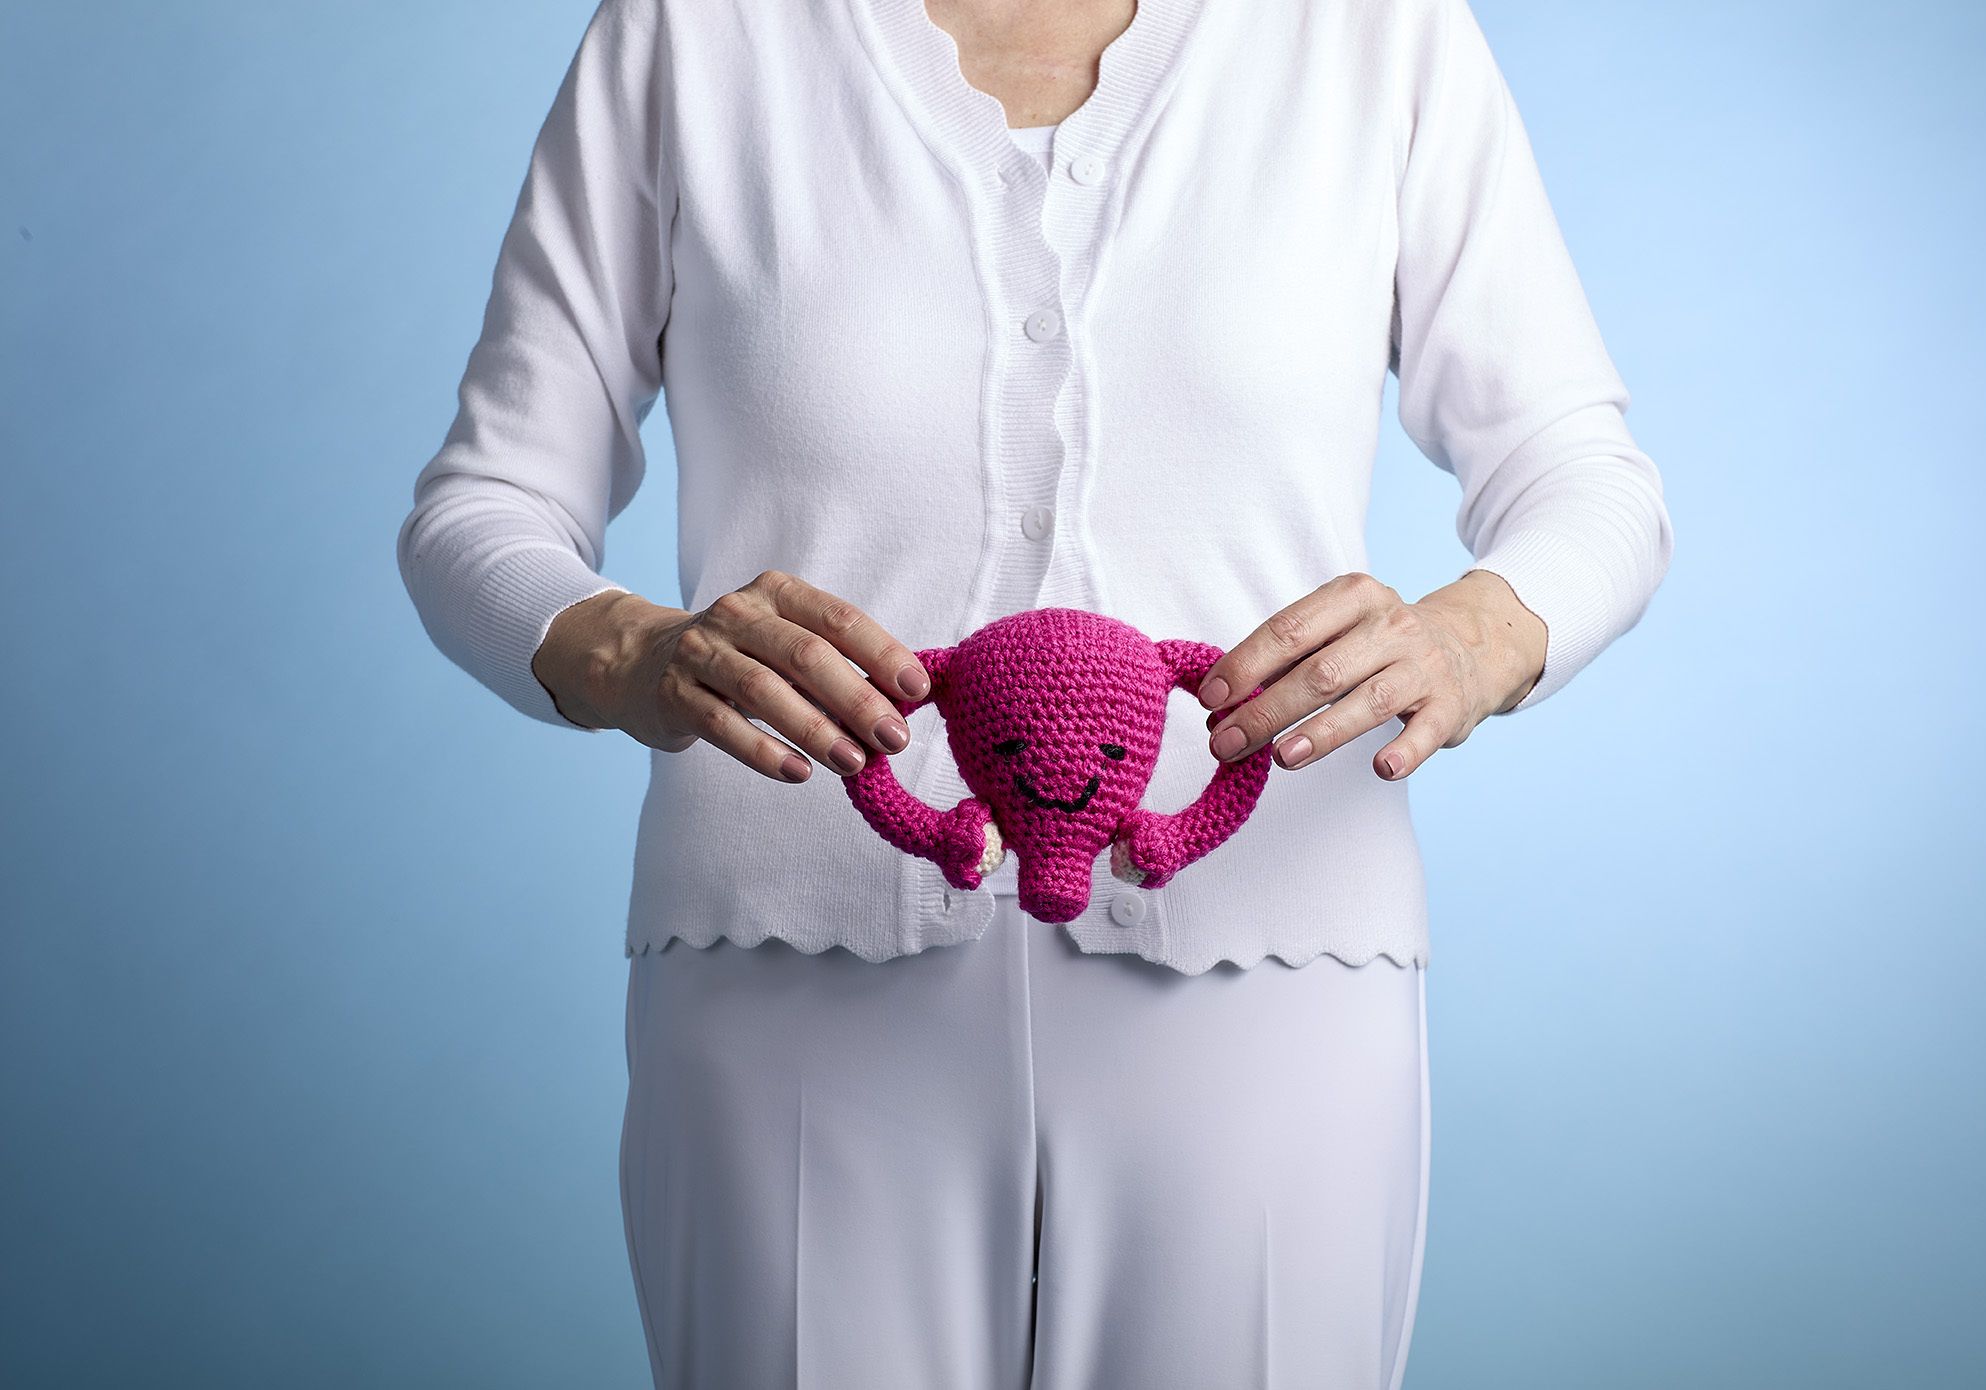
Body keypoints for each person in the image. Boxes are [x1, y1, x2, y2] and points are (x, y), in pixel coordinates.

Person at [398, 0, 1672, 1384]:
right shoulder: (695, 37)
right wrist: (628, 651)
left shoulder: (1370, 34)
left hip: (1267, 972)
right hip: (786, 975)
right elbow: (488, 502)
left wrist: (1479, 633)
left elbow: (1582, 475)